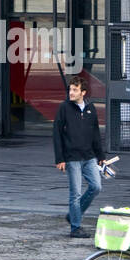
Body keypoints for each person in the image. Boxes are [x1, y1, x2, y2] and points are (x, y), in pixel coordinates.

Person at [53, 76, 107, 238]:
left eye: (75, 90)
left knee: (96, 187)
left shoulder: (91, 109)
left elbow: (95, 133)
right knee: (75, 193)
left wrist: (100, 156)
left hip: (89, 156)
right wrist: (60, 158)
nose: (71, 92)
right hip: (72, 158)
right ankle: (75, 227)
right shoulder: (64, 108)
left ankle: (72, 215)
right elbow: (56, 133)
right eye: (70, 89)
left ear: (83, 92)